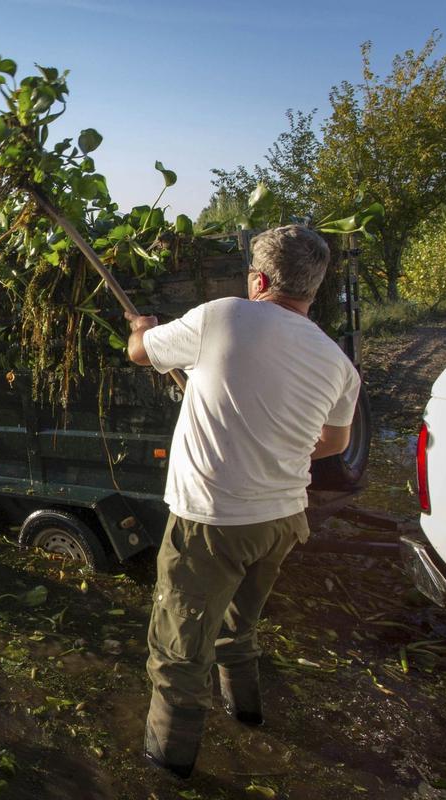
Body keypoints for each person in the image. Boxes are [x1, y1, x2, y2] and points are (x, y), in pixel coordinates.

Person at [123, 225, 360, 779]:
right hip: (280, 522)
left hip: (211, 524)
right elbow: (334, 443)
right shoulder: (336, 362)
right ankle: (246, 713)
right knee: (238, 627)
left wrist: (143, 328)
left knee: (179, 651)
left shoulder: (222, 316)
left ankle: (167, 767)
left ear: (258, 279)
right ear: (313, 289)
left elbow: (139, 354)